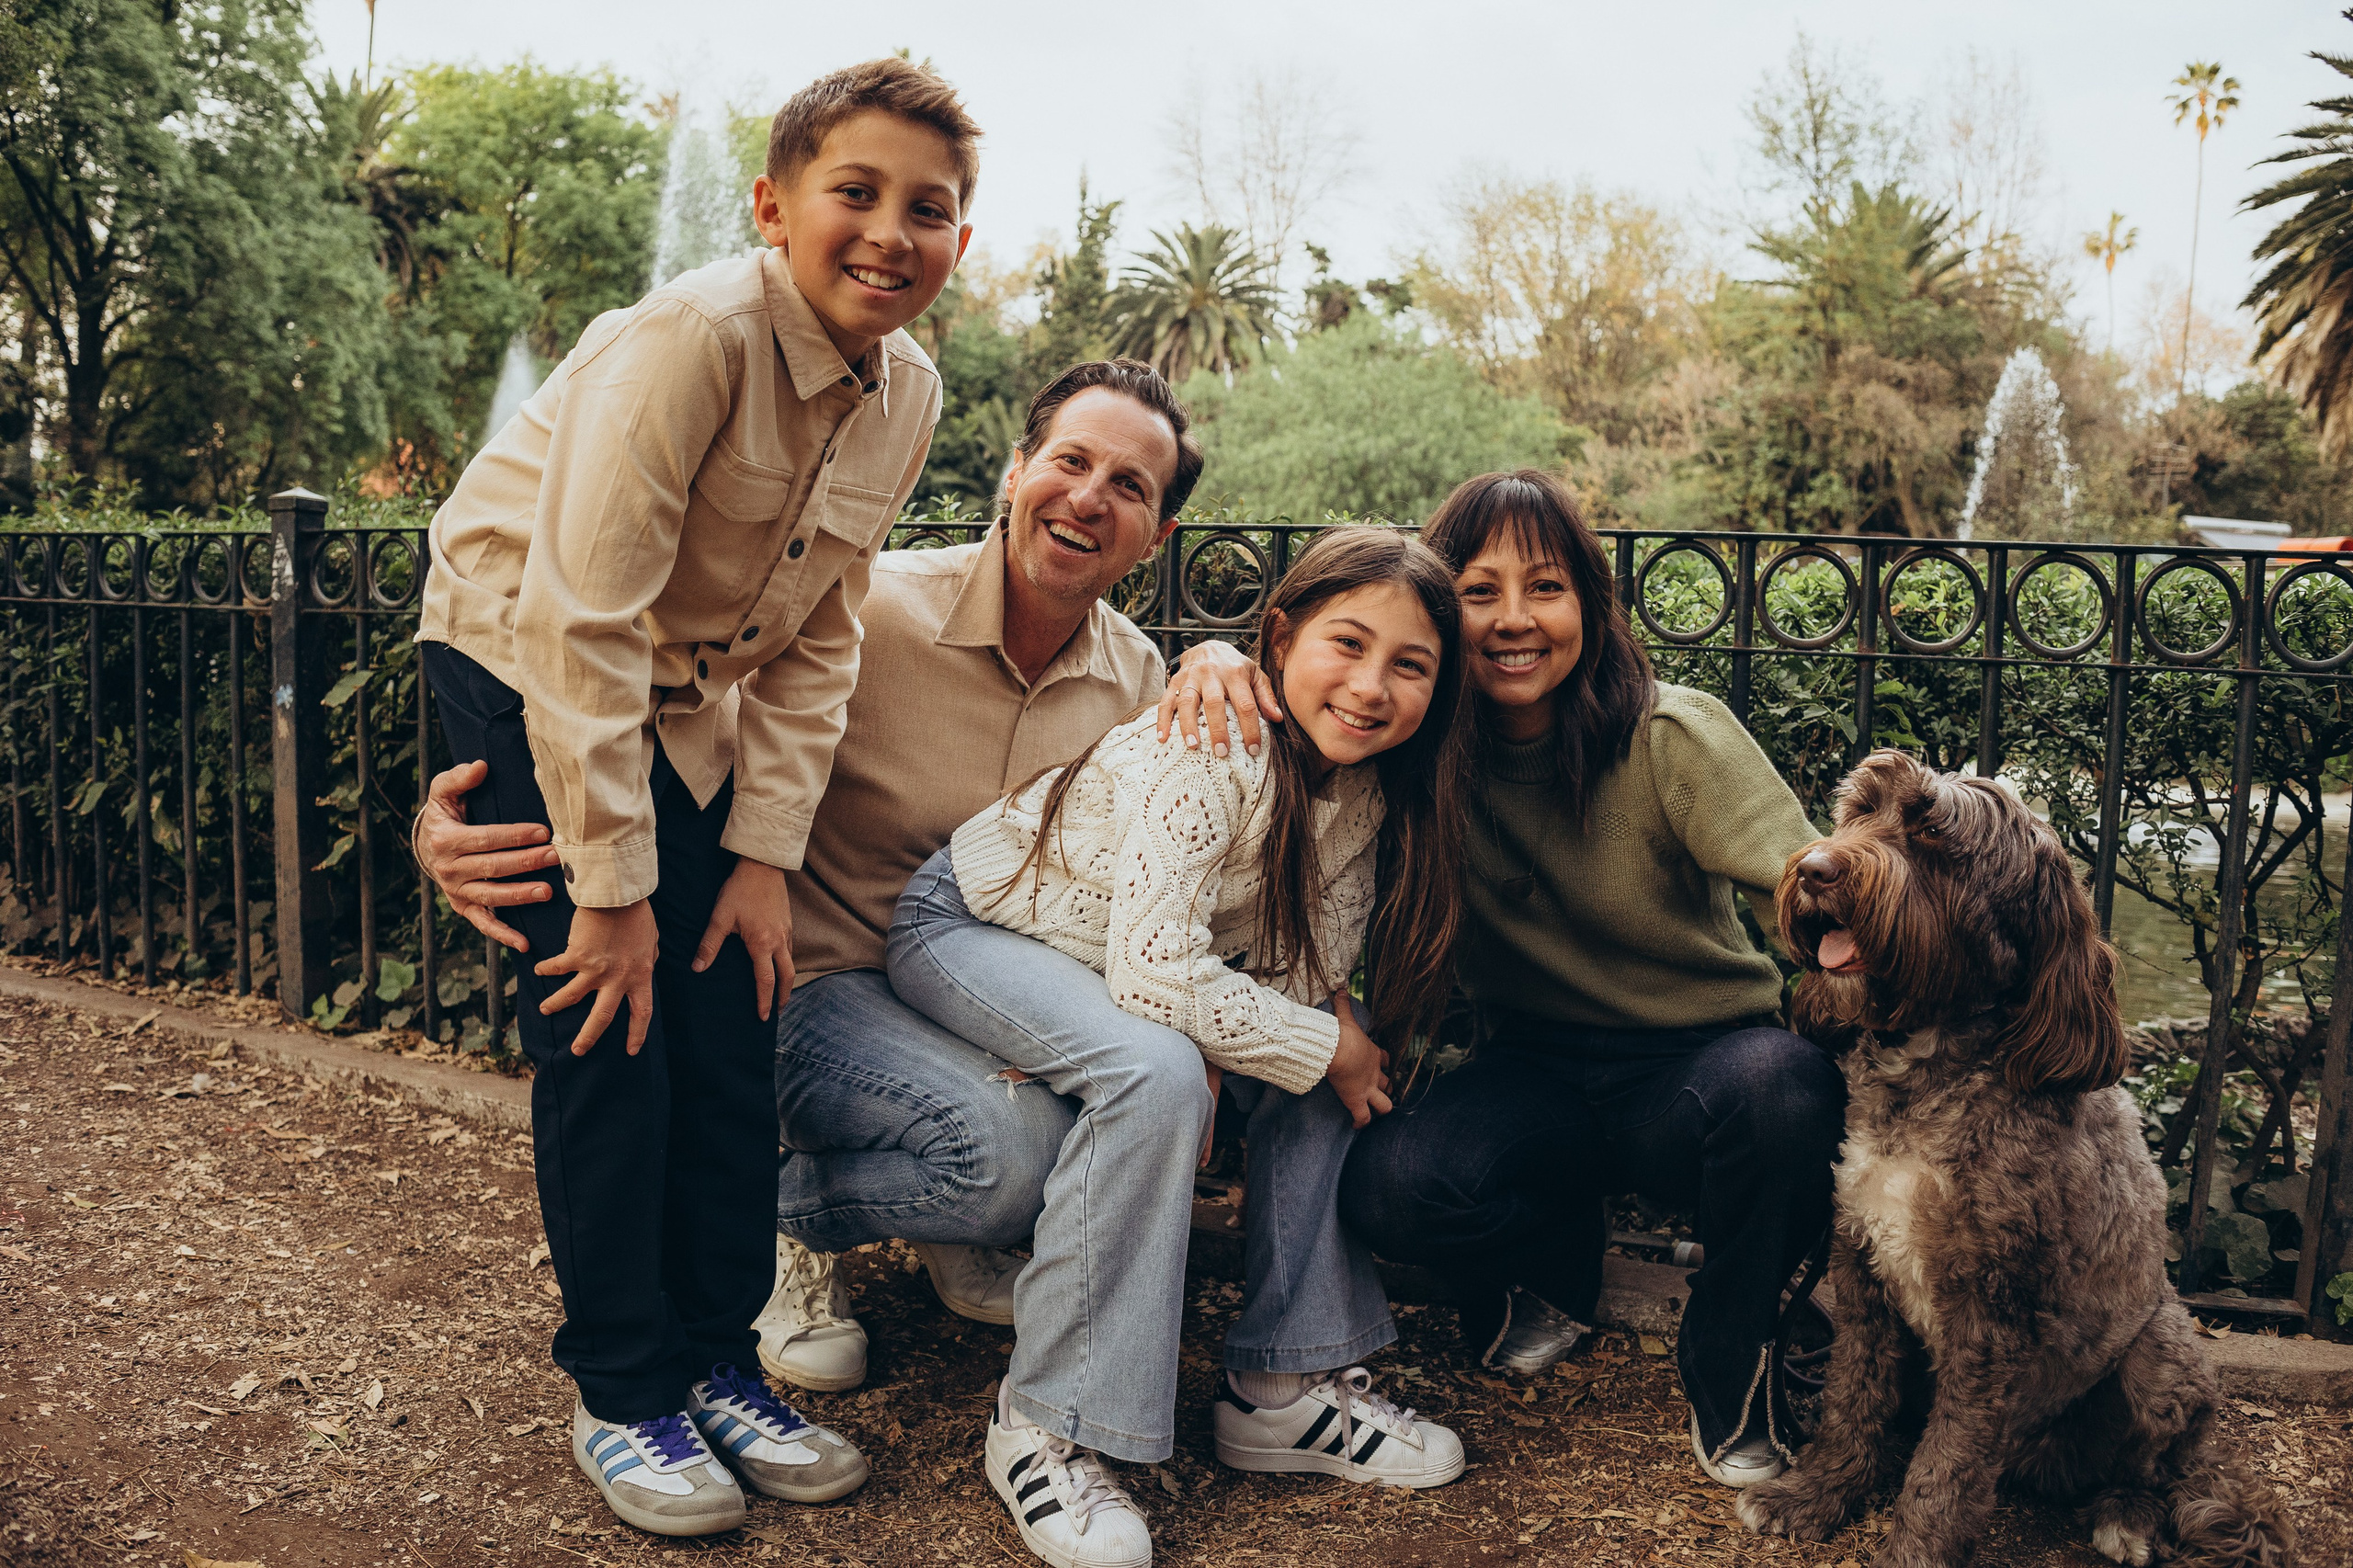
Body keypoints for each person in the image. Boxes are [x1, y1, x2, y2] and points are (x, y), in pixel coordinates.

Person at [411, 58, 976, 1538]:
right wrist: (609, 893)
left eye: (931, 208)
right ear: (773, 203)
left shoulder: (907, 389)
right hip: (520, 637)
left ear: (960, 242)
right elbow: (578, 624)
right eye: (856, 192)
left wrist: (759, 860)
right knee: (612, 1022)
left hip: (691, 692)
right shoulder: (691, 341)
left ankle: (722, 1357)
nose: (889, 232)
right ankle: (621, 1385)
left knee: (731, 1014)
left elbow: (822, 627)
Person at [412, 360, 1204, 1388]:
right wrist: (449, 820)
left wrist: (1218, 660)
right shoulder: (872, 615)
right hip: (802, 990)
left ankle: (947, 1208)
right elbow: (667, 736)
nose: (1090, 497)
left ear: (1158, 536)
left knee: (1070, 1133)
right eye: (1070, 460)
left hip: (983, 1015)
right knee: (1007, 1154)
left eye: (1131, 487)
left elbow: (1207, 834)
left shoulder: (1140, 681)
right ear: (1015, 473)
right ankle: (780, 1218)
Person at [1162, 471, 1837, 1493]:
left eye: (1546, 587)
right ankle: (1552, 1272)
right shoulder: (1413, 750)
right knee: (1393, 1181)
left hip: (1696, 1067)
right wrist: (1213, 655)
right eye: (1478, 592)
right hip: (1532, 1069)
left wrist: (1886, 948)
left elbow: (1804, 890)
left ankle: (1732, 1357)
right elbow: (1294, 708)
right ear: (1442, 612)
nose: (1514, 620)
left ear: (1589, 606)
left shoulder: (1670, 735)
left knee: (1788, 1089)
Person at [887, 528, 1475, 1568]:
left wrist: (1303, 1041)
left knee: (1333, 1047)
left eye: (1410, 665)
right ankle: (1045, 1424)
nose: (1372, 685)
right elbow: (1157, 974)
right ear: (1281, 635)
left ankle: (1283, 1387)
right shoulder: (1212, 744)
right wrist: (1226, 1033)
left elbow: (1302, 977)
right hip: (979, 926)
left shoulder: (1364, 794)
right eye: (1348, 643)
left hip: (1113, 964)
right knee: (1169, 1068)